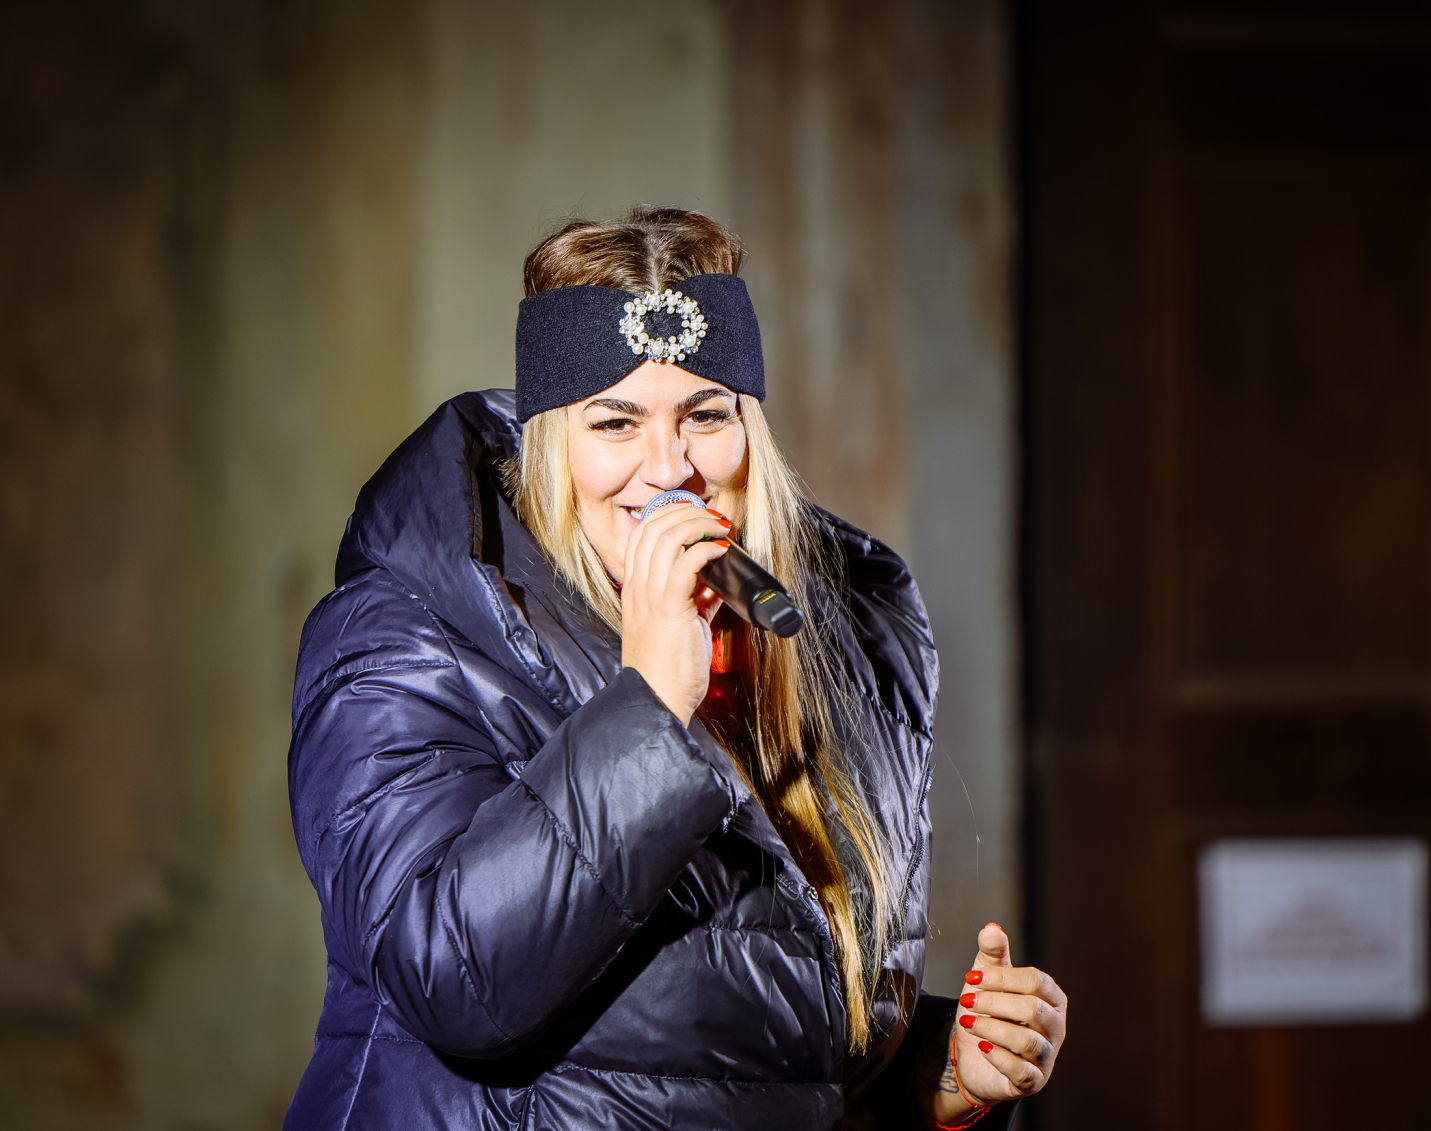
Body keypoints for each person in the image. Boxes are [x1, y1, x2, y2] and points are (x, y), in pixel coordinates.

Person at [283, 207, 1067, 1130]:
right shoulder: (404, 630)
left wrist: (940, 1076)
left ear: (750, 428)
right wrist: (650, 704)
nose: (668, 469)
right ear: (553, 440)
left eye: (704, 414)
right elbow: (449, 977)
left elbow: (764, 1051)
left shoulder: (848, 640)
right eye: (615, 422)